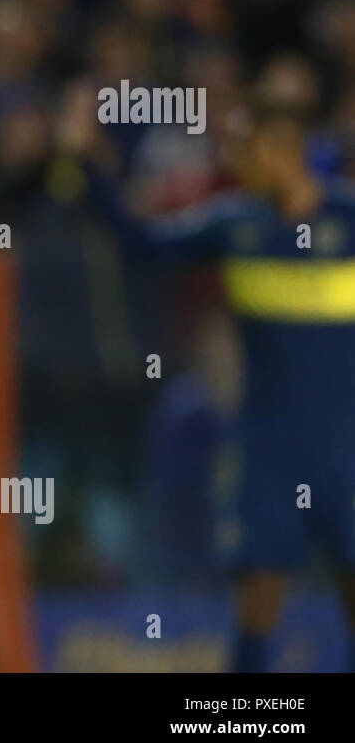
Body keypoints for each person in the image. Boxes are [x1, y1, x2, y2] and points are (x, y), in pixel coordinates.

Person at [59, 92, 355, 673]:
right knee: (259, 599)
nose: (237, 159)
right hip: (269, 449)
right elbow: (142, 243)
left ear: (282, 149)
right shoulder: (235, 224)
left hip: (347, 448)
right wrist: (87, 166)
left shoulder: (348, 221)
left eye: (248, 147)